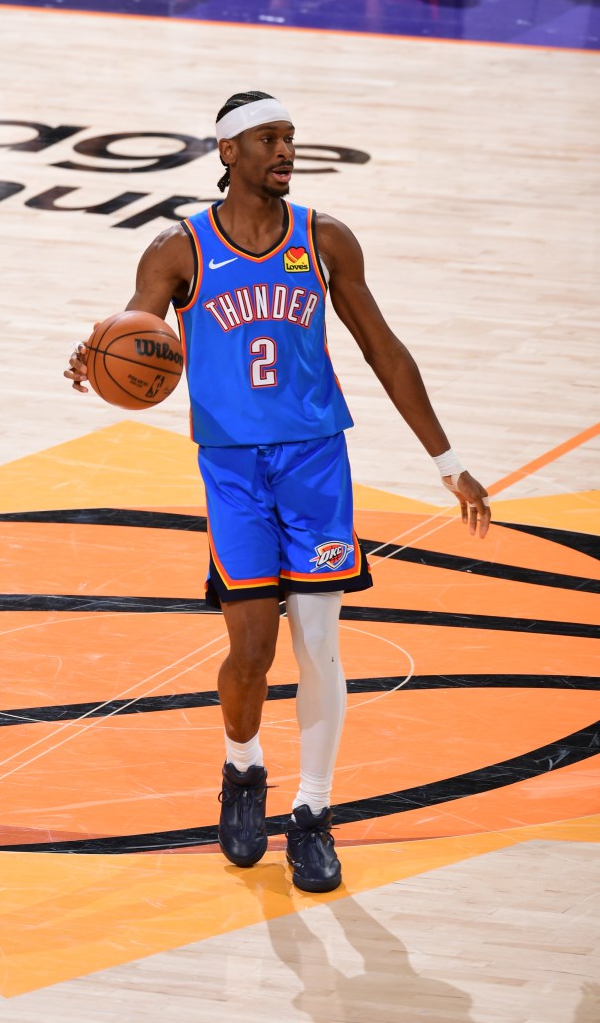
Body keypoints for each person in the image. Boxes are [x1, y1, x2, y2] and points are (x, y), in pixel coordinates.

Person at [65, 90, 491, 894]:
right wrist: (96, 358)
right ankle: (242, 768)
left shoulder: (323, 238)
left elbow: (383, 349)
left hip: (315, 465)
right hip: (232, 470)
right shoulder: (178, 249)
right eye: (267, 139)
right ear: (228, 151)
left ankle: (312, 812)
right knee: (252, 652)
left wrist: (447, 460)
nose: (285, 151)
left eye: (290, 138)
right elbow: (135, 335)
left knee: (319, 646)